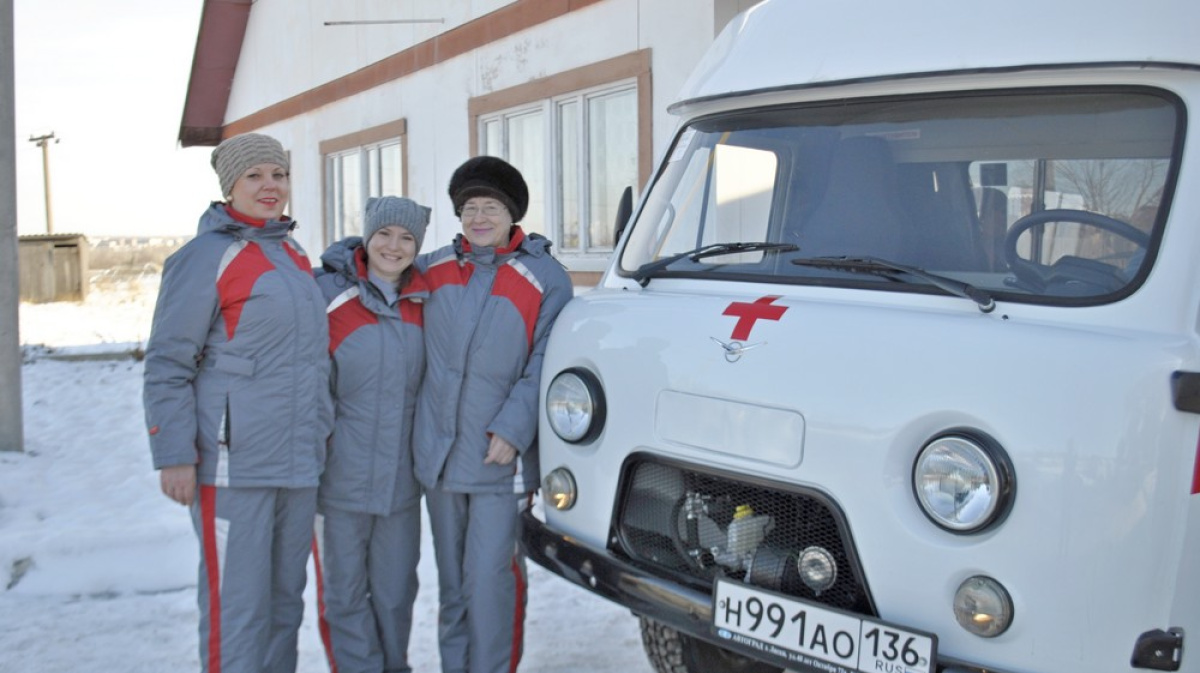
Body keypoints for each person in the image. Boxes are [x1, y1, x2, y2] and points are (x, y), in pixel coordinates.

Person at [143, 132, 332, 673]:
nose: (270, 186)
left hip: (296, 464)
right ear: (230, 186)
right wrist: (174, 453)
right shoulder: (205, 257)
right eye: (255, 176)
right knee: (238, 609)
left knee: (282, 606)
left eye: (279, 175)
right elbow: (168, 362)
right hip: (233, 465)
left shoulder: (293, 254)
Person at [414, 156, 573, 673]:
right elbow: (378, 286)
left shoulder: (545, 277)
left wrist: (513, 428)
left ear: (512, 214)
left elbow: (546, 361)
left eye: (491, 207)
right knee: (453, 587)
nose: (479, 218)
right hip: (439, 459)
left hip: (496, 458)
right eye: (469, 208)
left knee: (491, 584)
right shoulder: (432, 268)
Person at [312, 196, 431, 673]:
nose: (393, 246)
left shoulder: (426, 301)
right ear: (367, 235)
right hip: (338, 481)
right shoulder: (325, 295)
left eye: (406, 238)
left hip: (401, 483)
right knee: (342, 596)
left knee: (396, 593)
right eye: (384, 233)